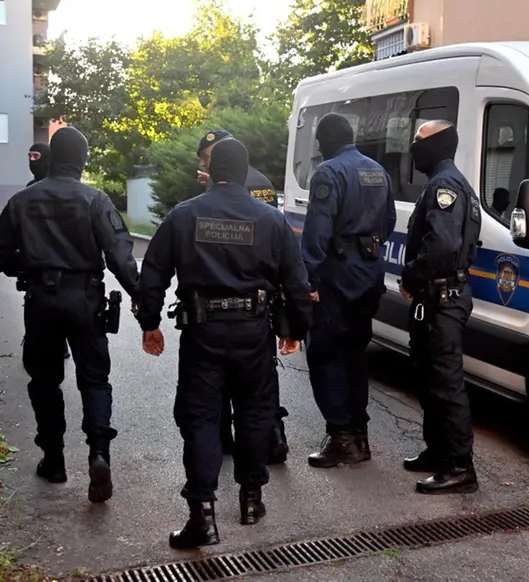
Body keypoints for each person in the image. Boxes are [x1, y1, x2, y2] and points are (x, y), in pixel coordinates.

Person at [137, 137, 312, 549]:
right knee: (255, 414)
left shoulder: (184, 215)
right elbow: (297, 281)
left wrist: (150, 322)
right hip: (254, 333)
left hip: (204, 332)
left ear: (211, 171)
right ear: (245, 171)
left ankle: (203, 516)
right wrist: (295, 330)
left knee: (200, 419)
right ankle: (252, 501)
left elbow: (154, 273)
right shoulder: (270, 219)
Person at [0, 126, 139, 503]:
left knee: (44, 380)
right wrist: (143, 299)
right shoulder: (95, 199)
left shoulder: (24, 200)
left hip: (41, 300)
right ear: (83, 160)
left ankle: (53, 461)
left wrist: (25, 267)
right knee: (94, 380)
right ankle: (99, 454)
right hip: (84, 300)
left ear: (51, 157)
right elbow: (120, 256)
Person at [301, 113, 396, 468]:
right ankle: (359, 435)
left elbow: (317, 233)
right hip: (369, 274)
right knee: (356, 355)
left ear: (325, 141)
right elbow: (387, 222)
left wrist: (306, 281)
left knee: (325, 355)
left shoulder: (328, 173)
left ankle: (341, 437)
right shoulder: (378, 170)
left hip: (336, 277)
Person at [196, 129, 290, 464]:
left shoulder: (227, 188)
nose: (205, 162)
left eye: (208, 156)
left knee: (225, 375)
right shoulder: (261, 181)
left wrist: (209, 189)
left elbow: (227, 233)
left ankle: (230, 438)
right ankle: (273, 433)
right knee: (263, 372)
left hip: (229, 292)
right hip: (261, 291)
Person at [399, 120, 482, 495]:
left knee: (446, 384)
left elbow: (442, 246)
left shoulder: (445, 186)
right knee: (430, 379)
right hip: (436, 296)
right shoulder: (444, 182)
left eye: (418, 140)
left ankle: (459, 467)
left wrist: (411, 275)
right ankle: (438, 451)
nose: (413, 146)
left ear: (438, 144)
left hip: (442, 296)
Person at [24, 142, 71, 361]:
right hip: (38, 264)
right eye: (30, 157)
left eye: (37, 156)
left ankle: (59, 345)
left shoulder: (65, 189)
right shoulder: (28, 189)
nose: (33, 161)